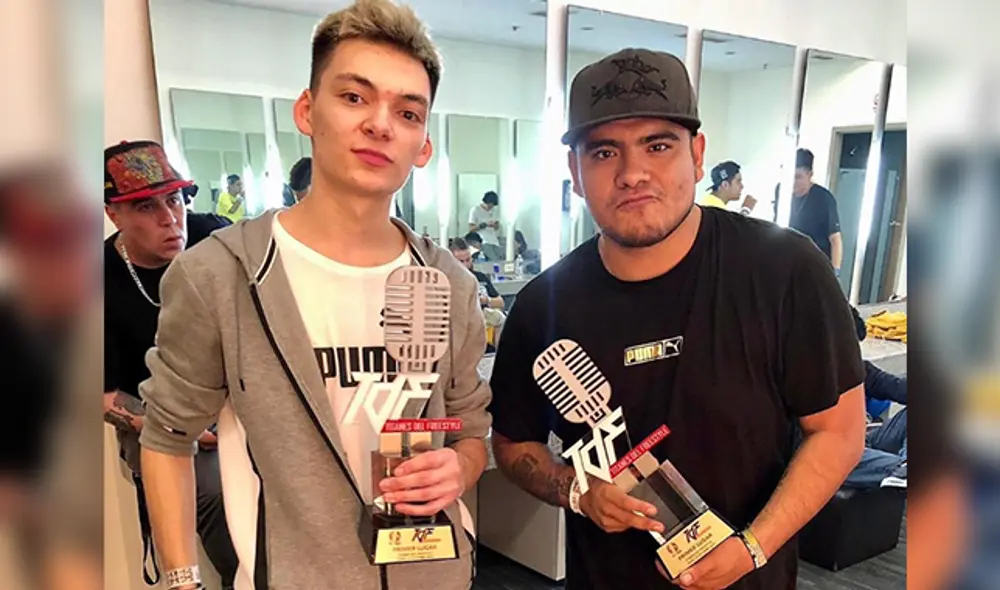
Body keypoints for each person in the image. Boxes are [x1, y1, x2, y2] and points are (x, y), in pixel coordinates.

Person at [137, 2, 491, 589]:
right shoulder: (221, 276)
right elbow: (167, 437)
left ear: (423, 144)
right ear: (308, 110)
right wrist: (182, 583)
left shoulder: (450, 284)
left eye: (407, 112)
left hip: (432, 573)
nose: (380, 124)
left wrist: (458, 467)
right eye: (354, 97)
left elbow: (471, 429)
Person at [488, 48, 865, 590]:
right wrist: (576, 490)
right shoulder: (543, 305)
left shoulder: (785, 269)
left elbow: (838, 432)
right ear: (574, 171)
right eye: (603, 153)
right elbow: (514, 444)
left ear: (697, 154)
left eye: (658, 145)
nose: (632, 173)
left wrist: (751, 547)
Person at [102, 140, 238, 588]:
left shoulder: (214, 239)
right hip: (155, 417)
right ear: (113, 214)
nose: (169, 217)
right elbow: (100, 394)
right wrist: (179, 426)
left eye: (175, 199)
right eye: (144, 206)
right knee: (219, 493)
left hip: (236, 406)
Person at [843, 306, 907, 489]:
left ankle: (904, 469)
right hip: (828, 453)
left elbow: (897, 387)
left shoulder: (859, 370)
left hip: (864, 442)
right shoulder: (802, 378)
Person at [785, 148, 843, 274]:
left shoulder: (824, 198)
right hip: (788, 261)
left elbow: (835, 240)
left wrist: (835, 273)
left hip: (816, 265)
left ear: (810, 175)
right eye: (790, 176)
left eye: (798, 177)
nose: (792, 182)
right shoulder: (782, 190)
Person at [449, 237, 503, 311]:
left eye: (468, 260)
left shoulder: (480, 277)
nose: (466, 265)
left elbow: (500, 302)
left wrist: (484, 300)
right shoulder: (449, 282)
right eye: (461, 261)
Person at [468, 190, 503, 261]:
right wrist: (485, 225)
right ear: (486, 202)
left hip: (494, 241)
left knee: (500, 261)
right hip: (483, 241)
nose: (491, 207)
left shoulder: (494, 211)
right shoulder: (475, 210)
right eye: (490, 204)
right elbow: (471, 229)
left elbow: (497, 228)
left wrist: (495, 225)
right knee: (494, 260)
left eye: (493, 205)